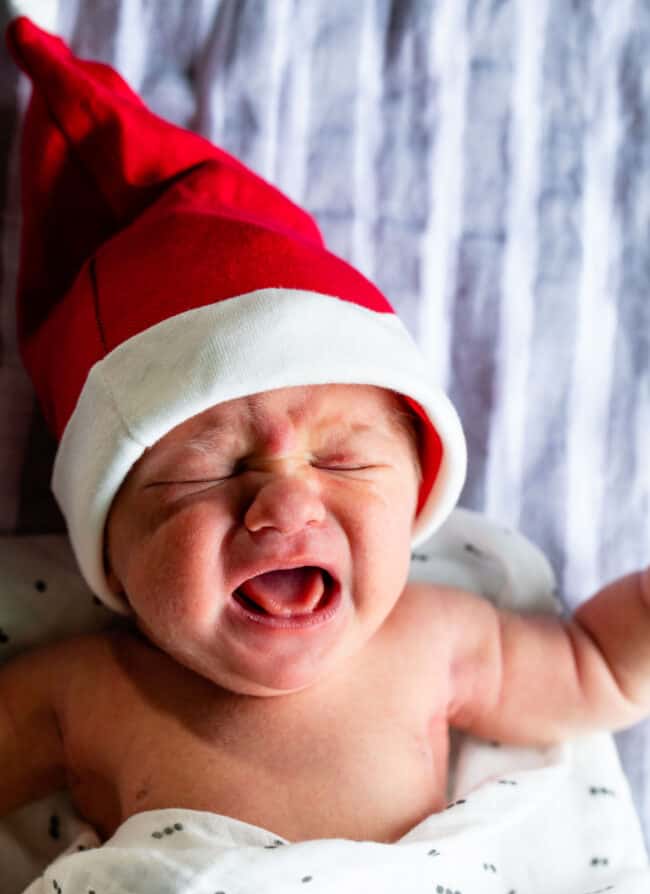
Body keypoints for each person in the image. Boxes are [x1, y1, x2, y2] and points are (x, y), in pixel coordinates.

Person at [1, 16, 649, 851]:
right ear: (109, 553)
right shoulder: (87, 687)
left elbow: (592, 664)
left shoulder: (435, 636)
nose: (284, 499)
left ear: (417, 492)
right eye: (208, 471)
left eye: (342, 458)